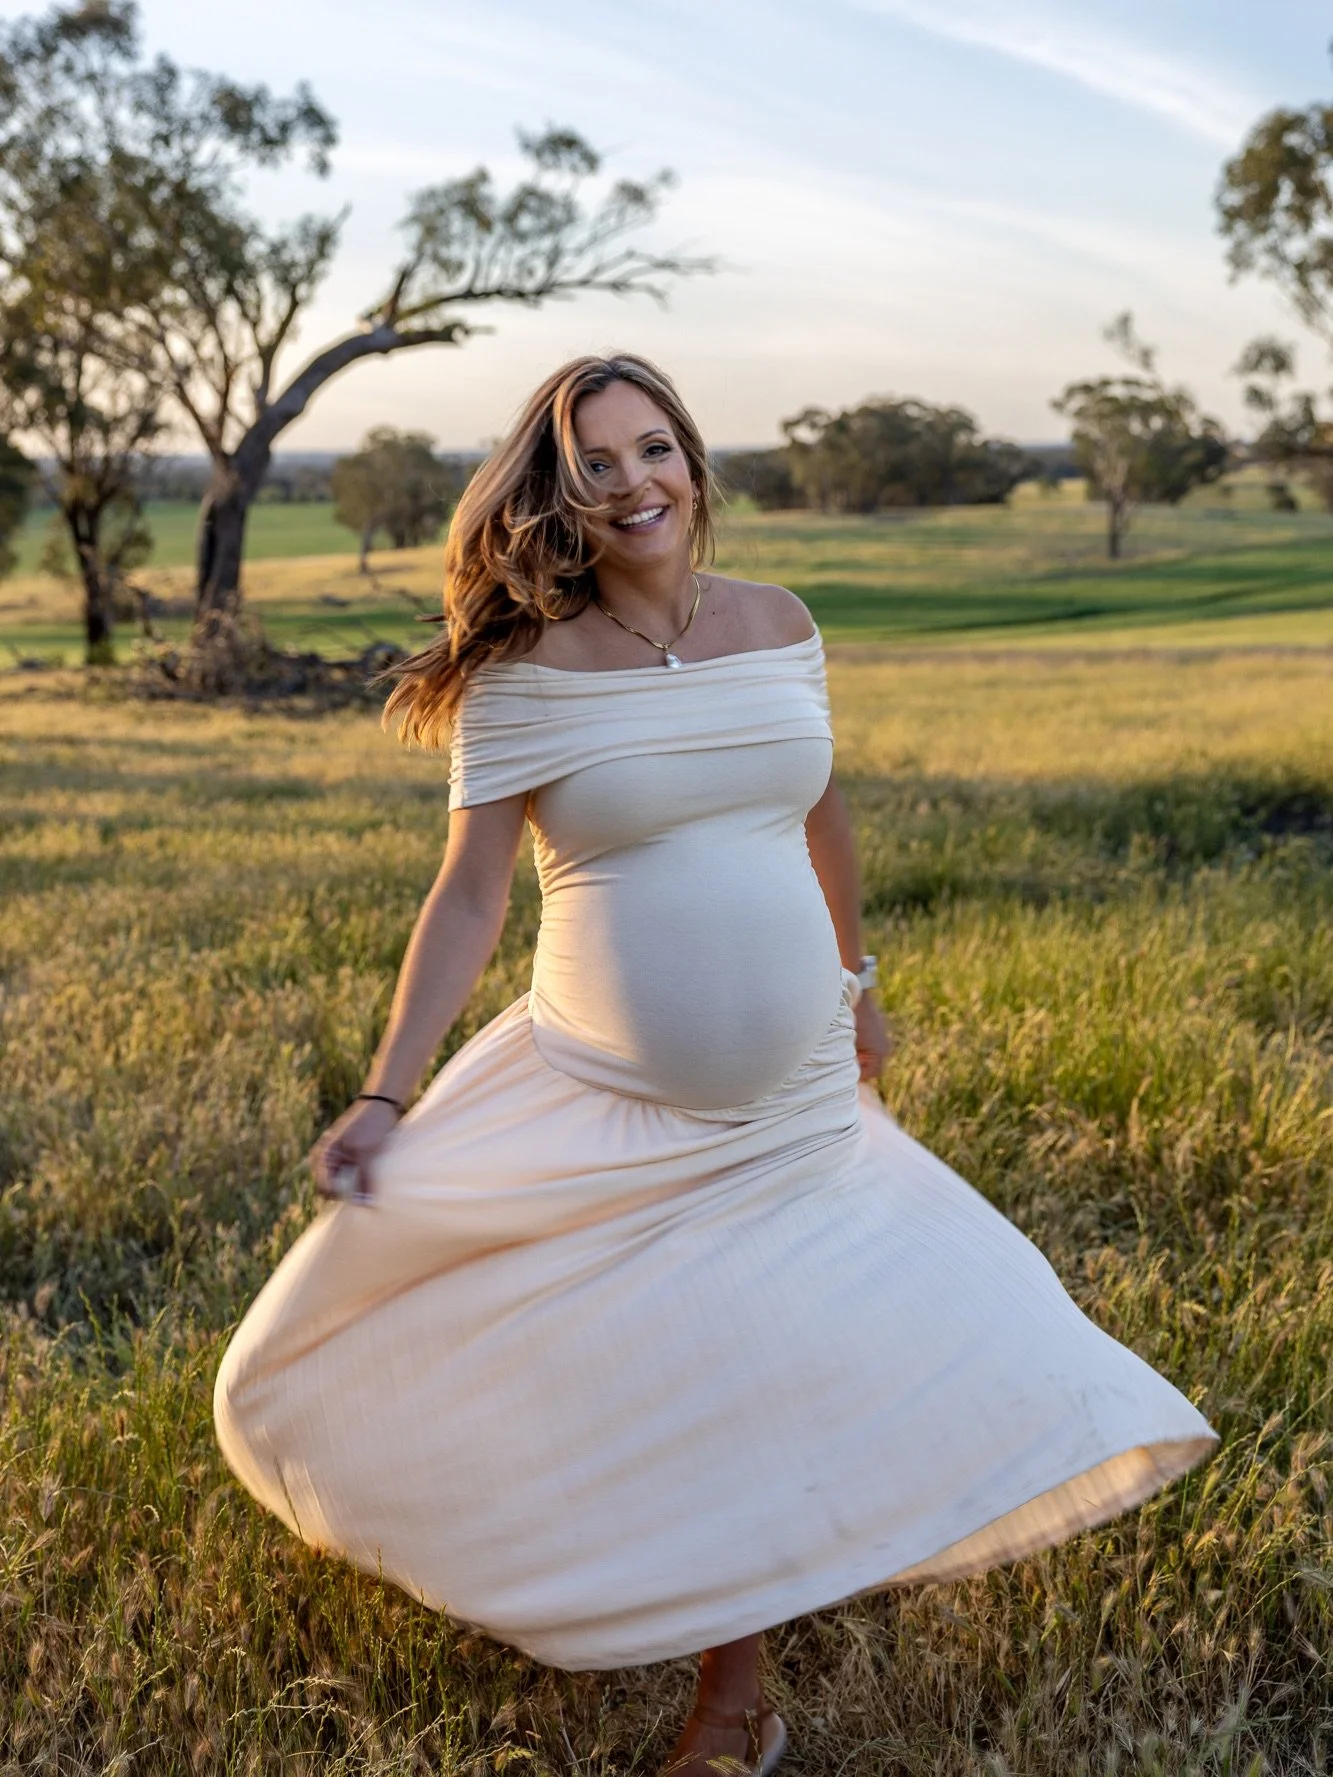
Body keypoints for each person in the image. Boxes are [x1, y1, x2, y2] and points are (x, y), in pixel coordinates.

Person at [215, 352, 1216, 1776]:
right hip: (601, 1096)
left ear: (696, 459)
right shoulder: (523, 678)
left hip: (794, 1092)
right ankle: (589, 1559)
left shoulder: (780, 623)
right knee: (305, 1358)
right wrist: (385, 1088)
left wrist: (858, 985)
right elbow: (470, 900)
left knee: (764, 1364)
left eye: (655, 448)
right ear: (557, 501)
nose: (637, 484)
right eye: (598, 465)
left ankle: (733, 1703)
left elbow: (824, 812)